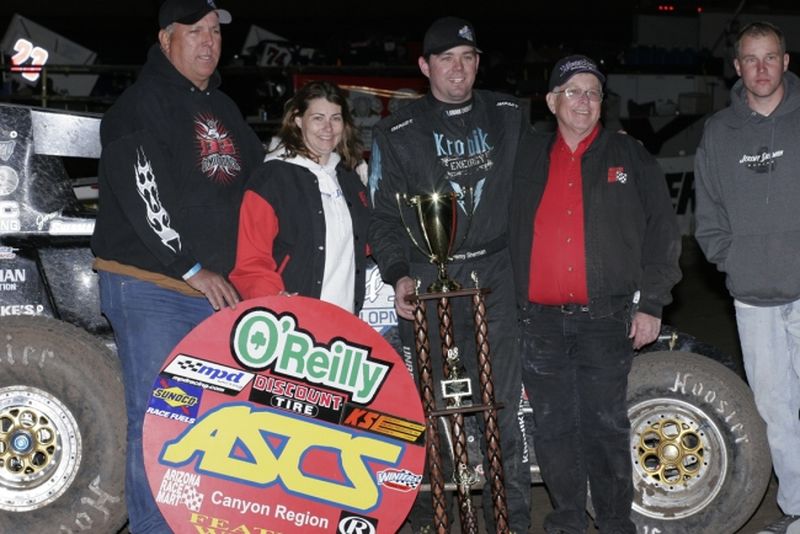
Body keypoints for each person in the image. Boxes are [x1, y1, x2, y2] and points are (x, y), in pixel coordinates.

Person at [90, 0, 264, 531]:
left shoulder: (224, 109)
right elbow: (143, 195)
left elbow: (265, 179)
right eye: (196, 32)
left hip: (215, 293)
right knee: (162, 418)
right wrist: (190, 267)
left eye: (215, 32)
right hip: (154, 288)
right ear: (166, 39)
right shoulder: (138, 107)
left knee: (215, 422)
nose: (209, 42)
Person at [368, 16, 531, 534]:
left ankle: (511, 522)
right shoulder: (395, 132)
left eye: (467, 57)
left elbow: (536, 194)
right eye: (445, 59)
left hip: (498, 276)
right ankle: (442, 520)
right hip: (430, 278)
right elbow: (382, 215)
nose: (457, 69)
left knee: (500, 402)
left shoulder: (510, 114)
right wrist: (398, 275)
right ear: (425, 66)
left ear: (478, 62)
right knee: (438, 410)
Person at [510, 54, 681, 533]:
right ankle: (566, 520)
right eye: (573, 91)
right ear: (551, 101)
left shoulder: (630, 157)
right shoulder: (524, 157)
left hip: (606, 319)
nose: (583, 101)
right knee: (554, 429)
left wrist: (651, 304)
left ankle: (612, 523)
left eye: (593, 93)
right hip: (538, 322)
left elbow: (663, 234)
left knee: (606, 428)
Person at [694, 21, 800, 534]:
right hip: (753, 297)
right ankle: (799, 510)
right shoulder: (719, 133)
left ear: (786, 61)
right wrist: (735, 261)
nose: (762, 68)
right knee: (776, 412)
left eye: (771, 57)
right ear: (737, 67)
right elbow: (707, 216)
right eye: (751, 59)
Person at [230, 81, 370, 313]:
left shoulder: (349, 177)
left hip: (346, 321)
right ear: (297, 120)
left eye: (335, 118)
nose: (328, 127)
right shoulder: (271, 178)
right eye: (317, 118)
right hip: (293, 322)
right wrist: (273, 299)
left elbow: (364, 243)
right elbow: (250, 263)